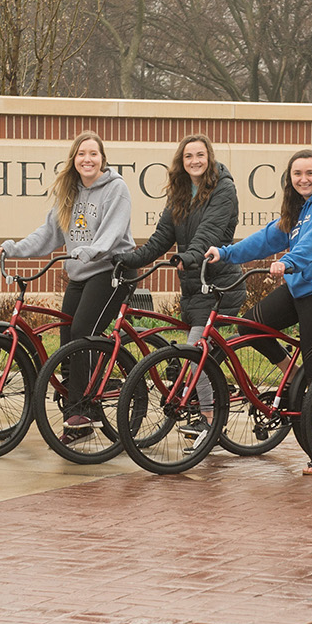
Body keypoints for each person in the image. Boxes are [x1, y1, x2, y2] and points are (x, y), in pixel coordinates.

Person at [204, 149, 312, 475]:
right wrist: (224, 253)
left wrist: (289, 262)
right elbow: (267, 238)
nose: (303, 179)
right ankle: (293, 374)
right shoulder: (298, 206)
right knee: (250, 326)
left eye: (309, 173)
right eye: (297, 174)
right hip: (298, 289)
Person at [1, 131, 135, 444]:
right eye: (81, 154)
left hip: (111, 270)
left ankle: (81, 412)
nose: (87, 159)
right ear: (73, 160)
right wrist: (17, 249)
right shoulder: (69, 191)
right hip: (80, 273)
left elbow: (114, 232)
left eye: (93, 154)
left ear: (102, 158)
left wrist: (93, 249)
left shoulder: (116, 188)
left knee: (82, 334)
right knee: (67, 340)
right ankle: (82, 414)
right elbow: (49, 233)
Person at [116, 134, 243, 440]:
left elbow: (209, 232)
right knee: (197, 353)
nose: (194, 161)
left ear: (209, 157)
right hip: (193, 286)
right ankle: (210, 401)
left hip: (219, 283)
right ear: (181, 161)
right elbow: (161, 238)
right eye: (188, 156)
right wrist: (128, 259)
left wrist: (189, 255)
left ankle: (211, 422)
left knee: (195, 352)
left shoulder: (223, 189)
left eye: (200, 155)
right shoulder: (181, 192)